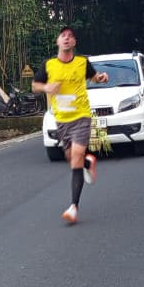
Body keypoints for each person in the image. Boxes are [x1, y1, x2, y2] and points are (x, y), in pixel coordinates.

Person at [32, 26, 108, 224]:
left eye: (70, 37)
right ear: (58, 41)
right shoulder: (49, 65)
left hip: (81, 116)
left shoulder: (82, 62)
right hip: (62, 119)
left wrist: (101, 78)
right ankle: (87, 162)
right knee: (71, 157)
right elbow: (35, 85)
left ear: (74, 43)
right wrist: (47, 87)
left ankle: (74, 206)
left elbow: (94, 77)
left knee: (75, 155)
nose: (66, 39)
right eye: (63, 36)